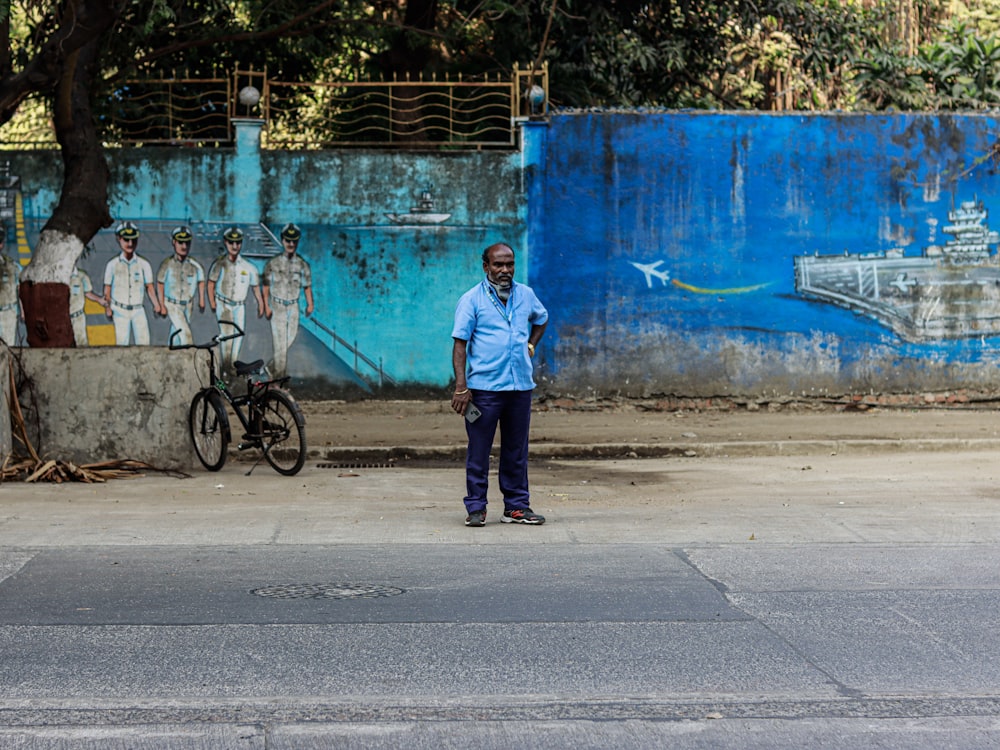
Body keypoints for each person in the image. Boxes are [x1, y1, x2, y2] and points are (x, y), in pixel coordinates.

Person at [450, 242, 549, 527]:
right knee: (479, 451)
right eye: (498, 265)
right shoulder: (471, 300)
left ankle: (516, 507)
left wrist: (530, 344)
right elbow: (460, 344)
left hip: (520, 388)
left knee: (516, 450)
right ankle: (477, 508)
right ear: (486, 267)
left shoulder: (526, 295)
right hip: (484, 391)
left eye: (509, 264)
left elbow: (542, 319)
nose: (505, 270)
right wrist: (461, 387)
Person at [207, 226, 263, 373]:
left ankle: (232, 368)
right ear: (226, 242)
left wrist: (261, 304)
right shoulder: (220, 264)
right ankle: (225, 368)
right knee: (226, 337)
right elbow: (211, 283)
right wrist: (212, 302)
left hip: (239, 306)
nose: (234, 246)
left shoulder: (248, 267)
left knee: (238, 336)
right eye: (231, 242)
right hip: (223, 304)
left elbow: (255, 287)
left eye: (237, 242)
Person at [262, 222, 314, 377]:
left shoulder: (302, 265)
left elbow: (307, 286)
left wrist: (310, 304)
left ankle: (271, 367)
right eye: (288, 240)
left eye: (294, 241)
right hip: (277, 305)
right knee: (279, 344)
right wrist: (266, 306)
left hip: (293, 307)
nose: (291, 244)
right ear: (283, 241)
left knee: (288, 340)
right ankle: (279, 378)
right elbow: (265, 285)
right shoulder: (273, 263)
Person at [103, 221, 162, 345]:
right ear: (119, 239)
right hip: (119, 310)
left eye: (133, 240)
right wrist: (108, 308)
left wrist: (156, 304)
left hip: (138, 310)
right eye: (126, 239)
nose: (130, 244)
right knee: (121, 344)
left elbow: (149, 287)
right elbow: (107, 290)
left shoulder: (144, 264)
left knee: (144, 343)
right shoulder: (112, 265)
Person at [157, 225, 206, 346]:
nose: (184, 246)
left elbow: (201, 280)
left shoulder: (195, 265)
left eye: (187, 243)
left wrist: (201, 300)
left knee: (176, 333)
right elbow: (160, 283)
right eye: (180, 242)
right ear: (174, 242)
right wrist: (162, 304)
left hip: (188, 304)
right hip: (172, 304)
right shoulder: (167, 264)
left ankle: (169, 354)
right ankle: (188, 358)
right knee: (186, 335)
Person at [69, 266, 106, 346]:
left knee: (81, 343)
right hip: (63, 318)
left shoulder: (82, 276)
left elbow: (87, 292)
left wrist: (99, 300)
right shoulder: (59, 277)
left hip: (78, 317)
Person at [0, 222, 21, 344]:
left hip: (8, 313)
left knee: (8, 347)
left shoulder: (11, 266)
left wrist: (22, 312)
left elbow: (19, 288)